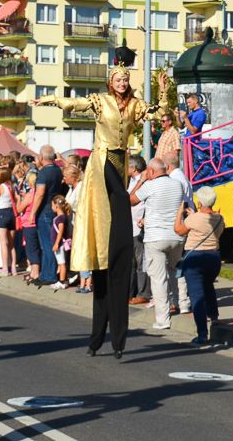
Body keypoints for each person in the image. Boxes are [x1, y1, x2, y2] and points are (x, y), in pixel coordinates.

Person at [33, 42, 170, 358]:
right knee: (109, 203)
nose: (122, 84)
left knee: (120, 212)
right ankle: (98, 332)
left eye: (125, 80)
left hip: (121, 162)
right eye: (117, 80)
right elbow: (74, 104)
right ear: (111, 83)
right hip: (101, 161)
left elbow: (159, 113)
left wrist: (163, 90)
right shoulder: (100, 101)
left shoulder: (135, 105)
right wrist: (50, 99)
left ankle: (117, 335)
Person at [130, 157, 188, 331]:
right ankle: (183, 303)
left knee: (158, 279)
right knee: (176, 271)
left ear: (152, 171)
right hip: (176, 236)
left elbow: (131, 200)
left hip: (155, 237)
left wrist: (141, 180)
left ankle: (163, 319)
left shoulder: (150, 185)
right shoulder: (176, 184)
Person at [173, 185, 224, 346]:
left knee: (197, 296)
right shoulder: (219, 219)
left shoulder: (193, 218)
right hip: (213, 258)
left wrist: (180, 213)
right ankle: (214, 318)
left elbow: (179, 230)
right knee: (208, 287)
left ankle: (202, 334)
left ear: (199, 202)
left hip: (194, 259)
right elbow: (210, 227)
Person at [28, 146, 65, 285]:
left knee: (46, 244)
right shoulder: (57, 170)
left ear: (42, 157)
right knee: (50, 243)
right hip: (54, 209)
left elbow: (40, 193)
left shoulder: (43, 173)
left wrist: (32, 212)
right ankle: (46, 273)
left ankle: (48, 275)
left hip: (44, 211)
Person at [127, 155, 151, 305]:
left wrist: (141, 181)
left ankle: (143, 293)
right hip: (132, 227)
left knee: (141, 261)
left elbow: (131, 198)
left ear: (133, 168)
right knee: (133, 263)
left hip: (139, 227)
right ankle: (132, 292)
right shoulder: (133, 181)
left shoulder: (143, 182)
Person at [50, 195, 71, 290]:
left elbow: (61, 231)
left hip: (60, 244)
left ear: (56, 206)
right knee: (60, 262)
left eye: (52, 205)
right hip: (59, 244)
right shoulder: (61, 217)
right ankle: (63, 279)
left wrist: (57, 243)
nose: (51, 207)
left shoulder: (61, 218)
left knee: (61, 262)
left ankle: (62, 282)